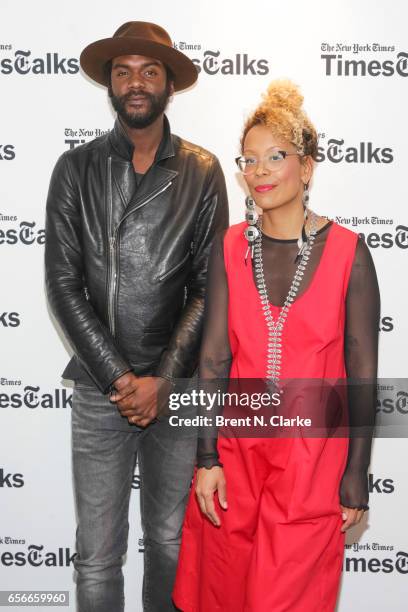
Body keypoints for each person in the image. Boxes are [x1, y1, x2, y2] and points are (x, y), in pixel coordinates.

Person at [172, 80, 380, 611]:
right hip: (235, 458)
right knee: (224, 591)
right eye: (249, 159)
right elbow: (214, 358)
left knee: (287, 597)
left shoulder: (349, 254)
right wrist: (206, 457)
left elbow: (361, 375)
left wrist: (356, 472)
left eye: (275, 157)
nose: (259, 170)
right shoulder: (231, 246)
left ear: (306, 167)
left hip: (311, 463)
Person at [44, 21, 228, 612]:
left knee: (172, 543)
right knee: (97, 554)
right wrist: (123, 380)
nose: (136, 83)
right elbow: (63, 284)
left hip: (178, 388)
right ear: (109, 85)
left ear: (169, 83)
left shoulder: (202, 171)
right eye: (122, 72)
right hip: (103, 390)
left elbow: (209, 287)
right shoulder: (75, 169)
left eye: (149, 71)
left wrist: (163, 381)